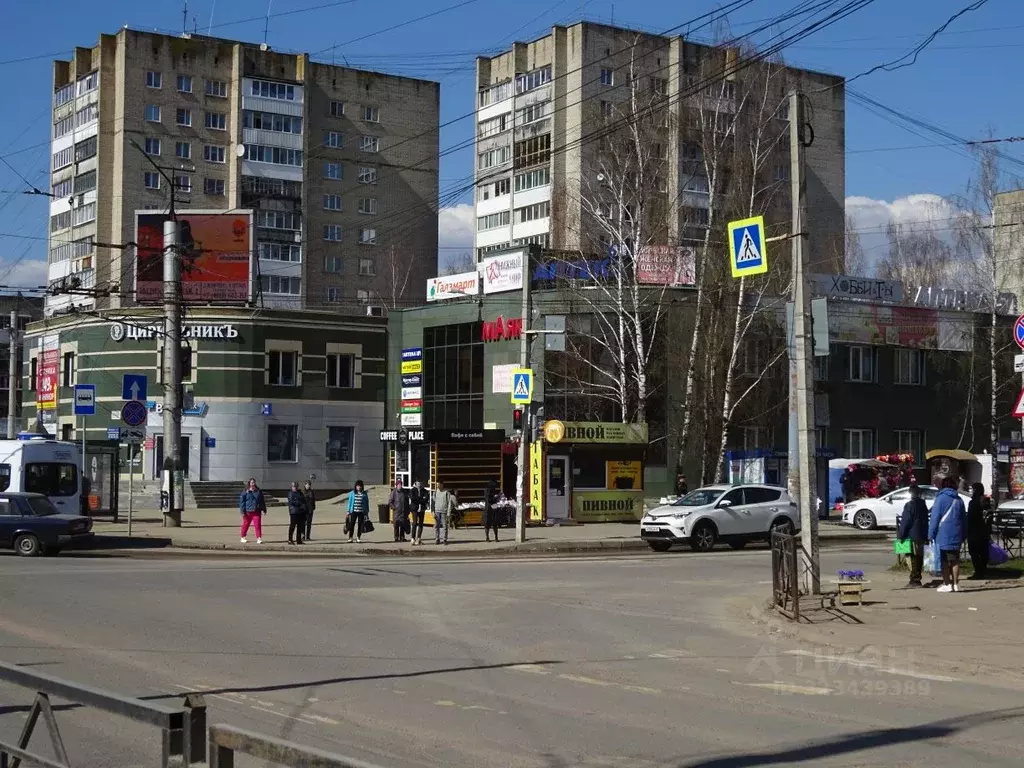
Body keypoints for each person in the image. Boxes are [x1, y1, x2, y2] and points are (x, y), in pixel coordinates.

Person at [928, 477, 968, 593]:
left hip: (943, 534)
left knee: (944, 561)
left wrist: (931, 534)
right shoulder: (959, 500)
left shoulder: (940, 499)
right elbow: (963, 520)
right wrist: (964, 534)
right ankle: (956, 584)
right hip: (956, 534)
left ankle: (947, 584)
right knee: (955, 560)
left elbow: (935, 518)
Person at [897, 484, 929, 587]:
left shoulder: (909, 505)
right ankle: (917, 577)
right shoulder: (923, 504)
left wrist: (901, 535)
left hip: (912, 534)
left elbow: (906, 521)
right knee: (919, 556)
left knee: (912, 557)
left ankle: (915, 579)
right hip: (922, 534)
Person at [966, 482, 991, 579]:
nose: (971, 491)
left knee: (974, 552)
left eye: (972, 489)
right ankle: (983, 571)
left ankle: (978, 572)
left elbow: (971, 517)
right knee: (983, 552)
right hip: (984, 530)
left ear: (975, 490)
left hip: (974, 530)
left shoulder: (973, 502)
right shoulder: (986, 501)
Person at [239, 477, 267, 544]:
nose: (253, 484)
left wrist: (264, 509)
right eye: (251, 483)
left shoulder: (258, 491)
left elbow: (262, 501)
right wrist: (242, 511)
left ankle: (259, 538)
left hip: (256, 511)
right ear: (249, 483)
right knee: (245, 525)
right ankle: (243, 537)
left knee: (257, 525)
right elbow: (242, 502)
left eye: (254, 482)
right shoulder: (245, 491)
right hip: (247, 511)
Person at [432, 479, 455, 545]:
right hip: (437, 511)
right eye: (437, 485)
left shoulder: (446, 492)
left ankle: (445, 539)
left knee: (445, 526)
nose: (437, 486)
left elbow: (449, 503)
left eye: (439, 484)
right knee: (436, 526)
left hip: (444, 512)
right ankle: (437, 539)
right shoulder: (435, 492)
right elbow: (433, 503)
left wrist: (448, 512)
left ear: (442, 484)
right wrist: (433, 511)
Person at [389, 478, 411, 542]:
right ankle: (396, 537)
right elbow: (390, 502)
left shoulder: (404, 492)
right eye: (398, 484)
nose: (400, 485)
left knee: (402, 525)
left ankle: (402, 537)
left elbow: (407, 501)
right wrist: (394, 507)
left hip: (403, 511)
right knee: (396, 525)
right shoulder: (394, 492)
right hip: (396, 511)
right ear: (396, 485)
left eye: (401, 484)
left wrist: (408, 510)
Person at [409, 480, 429, 546]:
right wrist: (421, 499)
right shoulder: (412, 490)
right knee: (414, 523)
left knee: (421, 523)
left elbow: (426, 499)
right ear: (415, 483)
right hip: (414, 509)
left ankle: (419, 538)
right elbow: (412, 498)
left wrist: (419, 499)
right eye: (418, 483)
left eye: (420, 483)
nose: (419, 484)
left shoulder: (425, 491)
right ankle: (412, 538)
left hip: (422, 509)